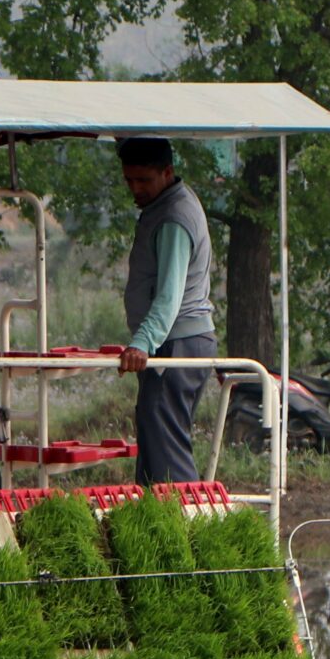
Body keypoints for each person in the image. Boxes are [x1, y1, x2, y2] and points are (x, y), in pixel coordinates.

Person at [112, 136, 216, 485]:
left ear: (167, 172)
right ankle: (153, 514)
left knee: (167, 454)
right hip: (176, 342)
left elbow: (170, 295)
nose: (135, 189)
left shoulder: (173, 217)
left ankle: (188, 517)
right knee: (155, 444)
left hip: (175, 343)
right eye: (129, 180)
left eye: (143, 180)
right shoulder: (167, 206)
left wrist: (142, 342)